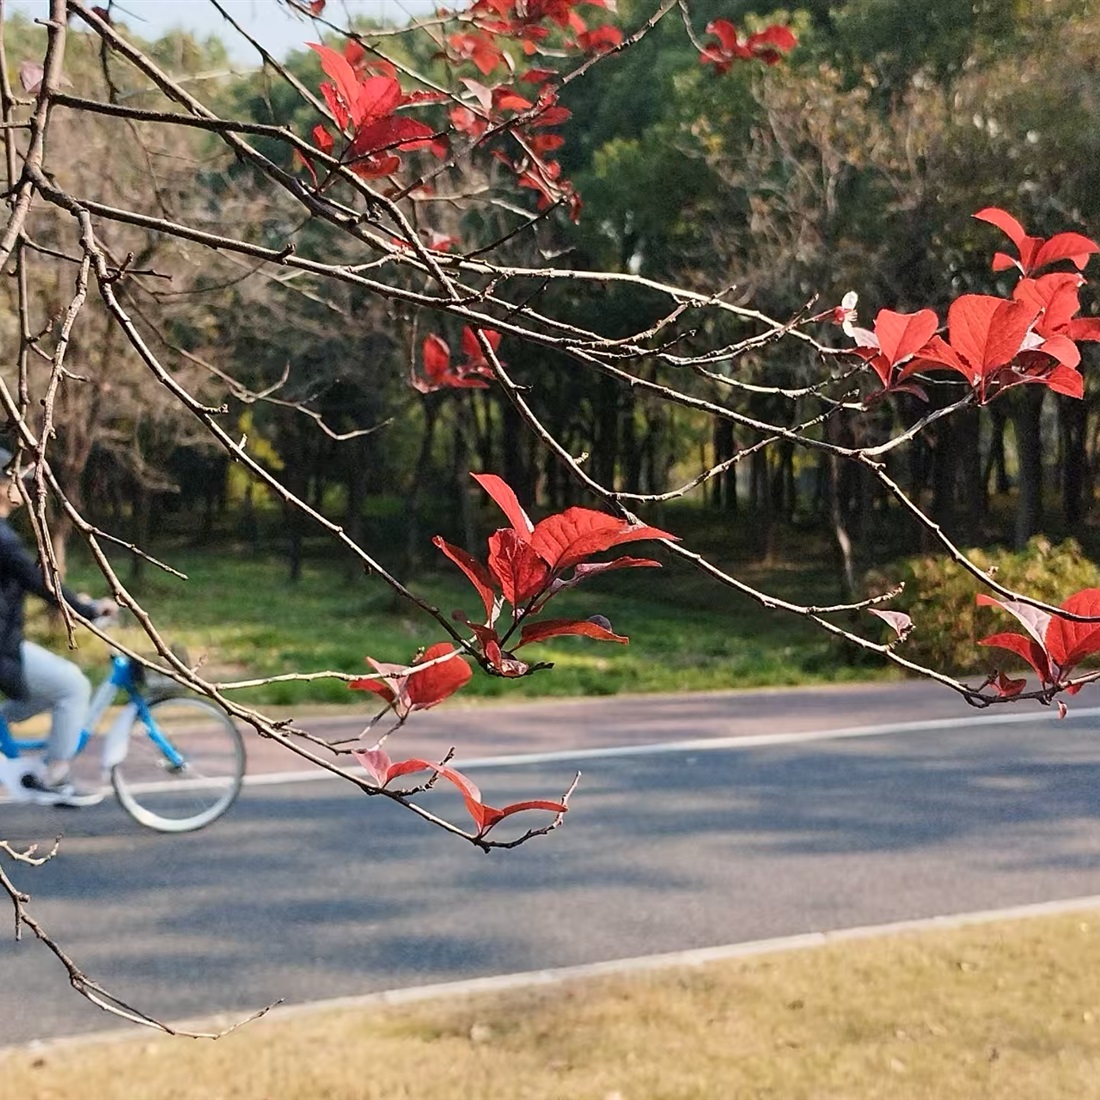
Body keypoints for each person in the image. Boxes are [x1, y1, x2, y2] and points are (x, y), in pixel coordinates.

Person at [0, 448, 117, 807]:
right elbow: (41, 583)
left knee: (46, 689)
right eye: (14, 480)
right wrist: (87, 609)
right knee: (72, 686)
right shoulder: (3, 540)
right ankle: (55, 777)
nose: (22, 487)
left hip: (6, 643)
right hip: (2, 648)